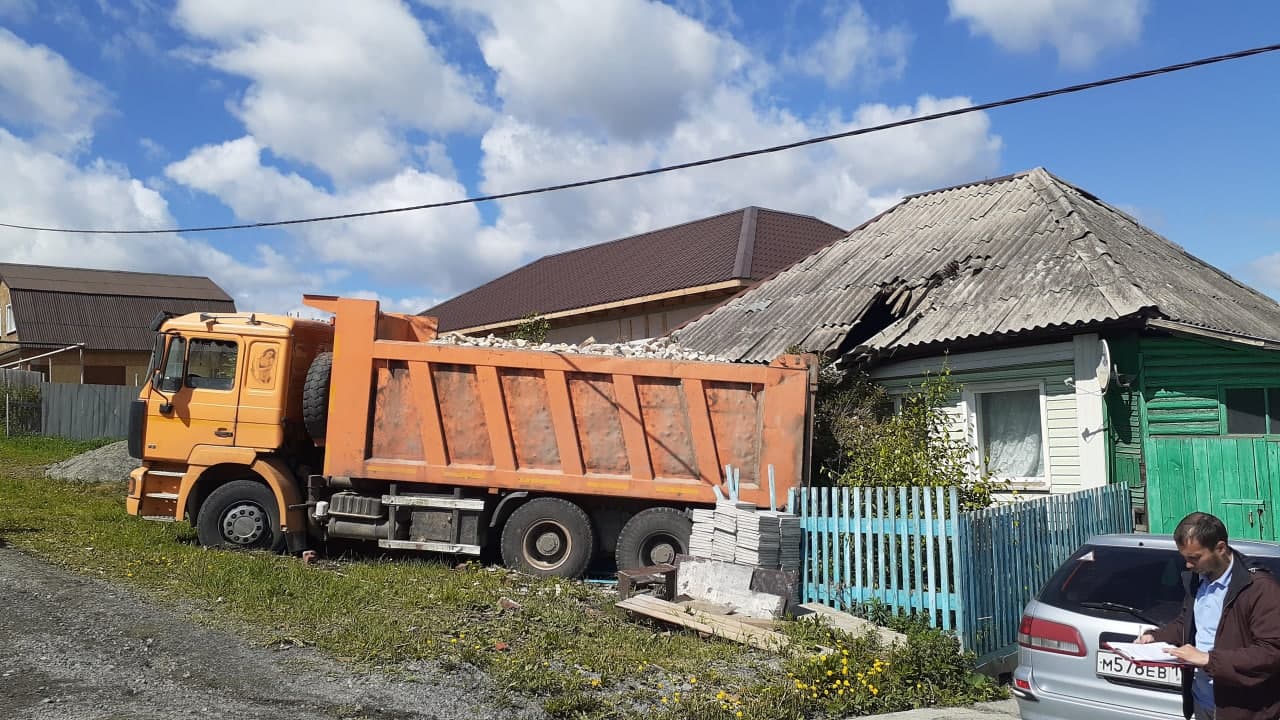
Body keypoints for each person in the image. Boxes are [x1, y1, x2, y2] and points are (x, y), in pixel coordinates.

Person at [1135, 511, 1280, 720]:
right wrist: (1155, 637)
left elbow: (1271, 652)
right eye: (1184, 558)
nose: (1188, 565)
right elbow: (1188, 623)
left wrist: (1208, 659)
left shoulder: (1259, 588)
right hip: (1202, 702)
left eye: (1194, 558)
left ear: (1220, 548)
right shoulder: (1198, 579)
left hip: (1244, 710)